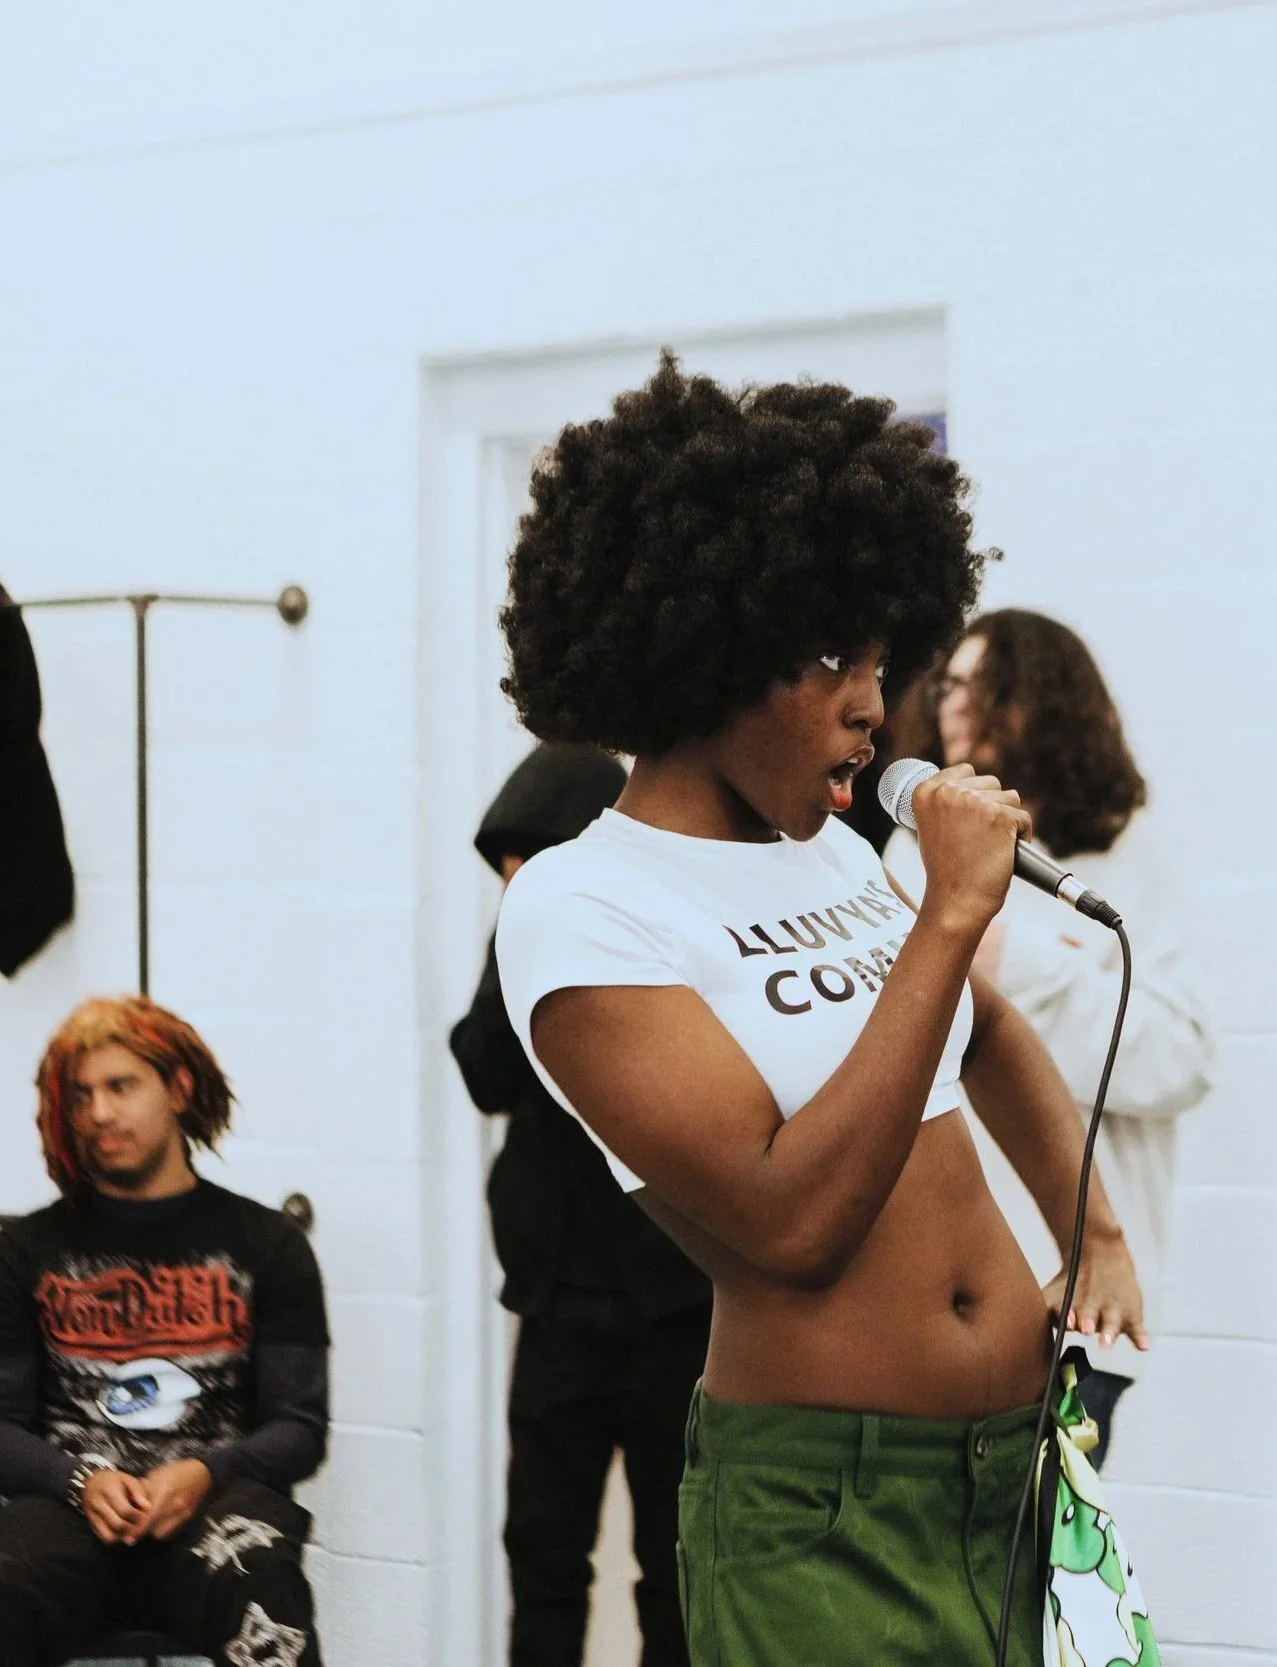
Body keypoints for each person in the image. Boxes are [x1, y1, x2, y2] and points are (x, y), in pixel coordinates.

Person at [494, 356, 1148, 1667]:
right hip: (819, 1506)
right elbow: (789, 1218)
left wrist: (1103, 1234)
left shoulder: (831, 850)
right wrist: (949, 919)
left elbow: (989, 1035)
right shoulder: (582, 905)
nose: (871, 699)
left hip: (1008, 1471)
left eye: (882, 656)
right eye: (828, 655)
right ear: (707, 653)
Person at [882, 610, 1213, 1467]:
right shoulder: (914, 848)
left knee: (1039, 1588)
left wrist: (1016, 952)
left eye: (976, 683)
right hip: (936, 1297)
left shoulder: (1126, 852)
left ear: (1042, 699)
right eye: (945, 682)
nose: (950, 703)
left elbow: (1177, 1057)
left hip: (1075, 1309)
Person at [0, 997, 329, 1667]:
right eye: (82, 1095)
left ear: (179, 1088)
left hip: (214, 1514)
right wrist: (78, 1479)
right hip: (66, 1515)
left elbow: (299, 1428)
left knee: (267, 1592)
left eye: (122, 1086)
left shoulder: (268, 1246)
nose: (100, 1113)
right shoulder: (23, 1250)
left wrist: (206, 1470)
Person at [452, 740, 713, 1667]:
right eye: (507, 868)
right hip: (557, 1305)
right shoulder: (520, 943)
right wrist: (516, 934)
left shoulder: (667, 942)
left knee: (676, 1569)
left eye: (531, 862)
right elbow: (484, 1071)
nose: (515, 880)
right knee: (544, 1560)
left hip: (676, 1308)